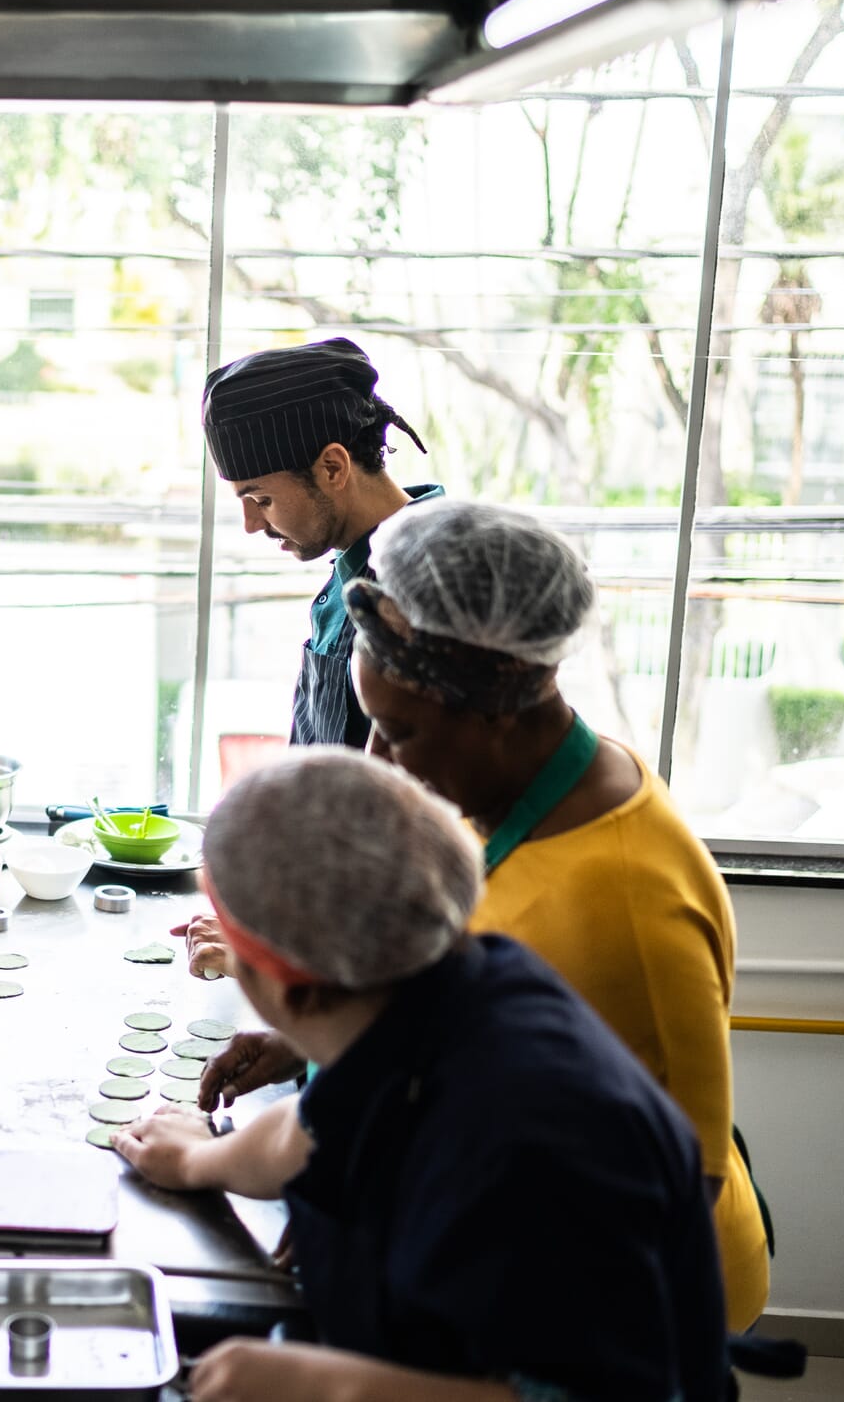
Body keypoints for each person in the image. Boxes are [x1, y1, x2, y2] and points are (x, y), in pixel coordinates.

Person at [197, 500, 771, 1329]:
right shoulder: (507, 789)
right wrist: (309, 1038)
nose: (378, 760)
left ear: (493, 713)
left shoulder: (625, 898)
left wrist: (375, 1197)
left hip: (629, 1292)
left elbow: (685, 1174)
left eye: (397, 731)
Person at [115, 750, 731, 1402]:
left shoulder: (529, 1140)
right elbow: (313, 1128)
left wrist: (329, 1384)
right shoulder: (433, 993)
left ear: (290, 988)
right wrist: (201, 1159)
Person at [177, 337, 442, 980]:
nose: (251, 523)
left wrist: (276, 953)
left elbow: (404, 834)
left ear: (332, 466)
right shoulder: (351, 566)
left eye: (261, 498)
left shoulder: (428, 586)